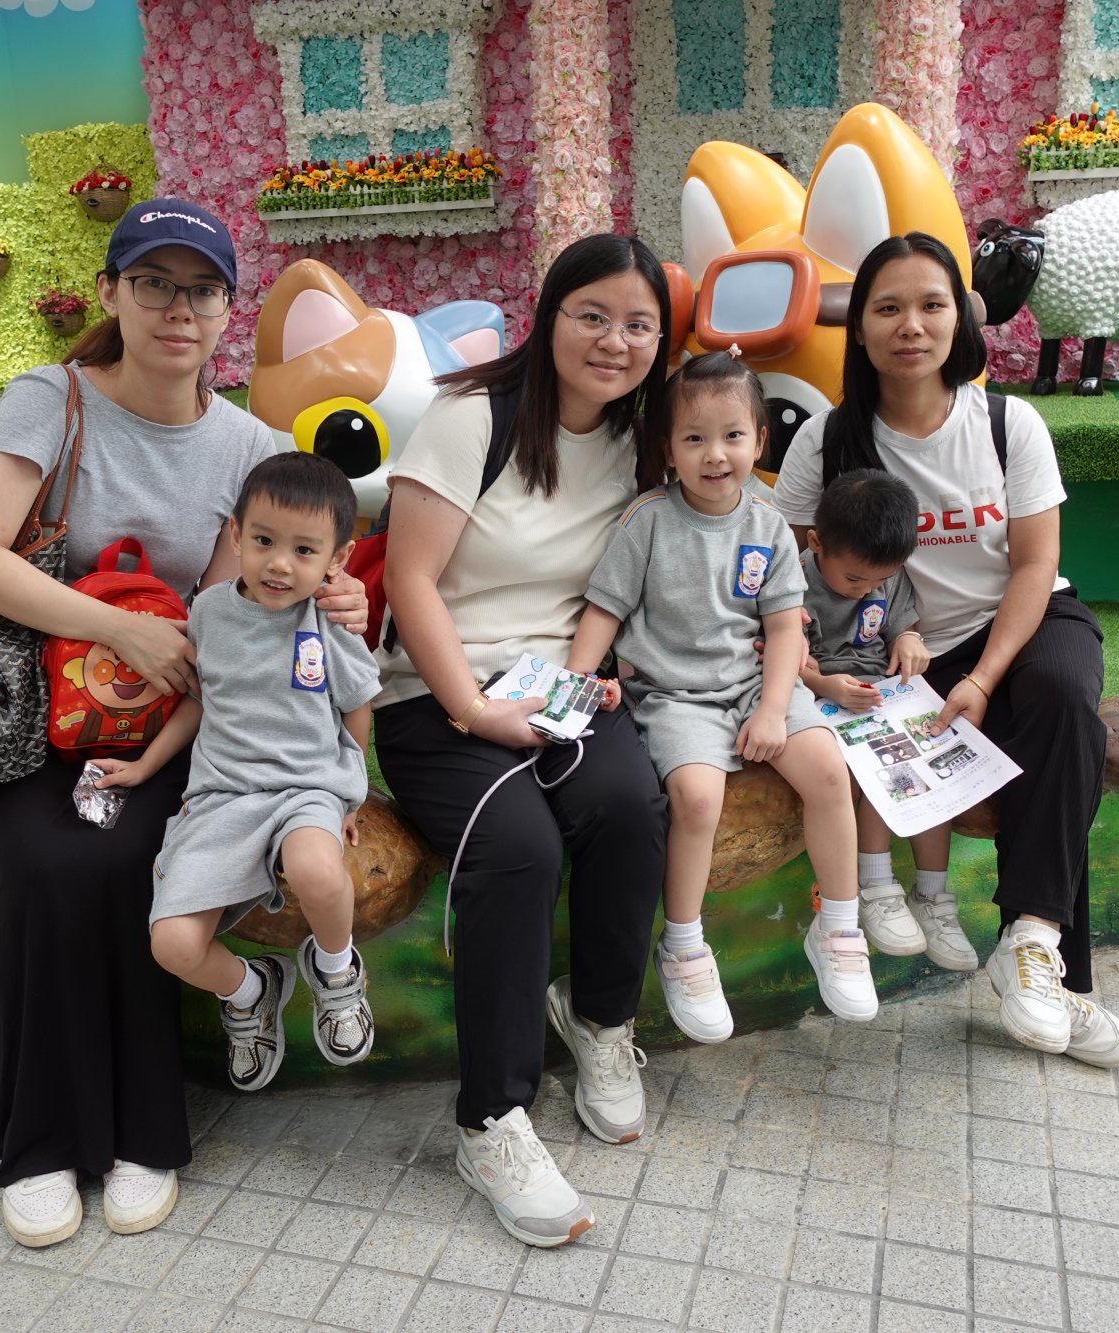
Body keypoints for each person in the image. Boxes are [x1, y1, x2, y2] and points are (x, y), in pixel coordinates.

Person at [0, 199, 366, 1249]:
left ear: (227, 309)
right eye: (154, 283)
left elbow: (235, 607)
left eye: (202, 290)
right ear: (113, 292)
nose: (179, 309)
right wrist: (112, 629)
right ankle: (38, 1138)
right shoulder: (51, 399)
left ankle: (140, 1130)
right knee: (41, 857)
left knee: (132, 860)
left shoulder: (249, 444)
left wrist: (330, 602)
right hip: (34, 711)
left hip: (167, 722)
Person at [771, 231, 1119, 1069]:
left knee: (1064, 705)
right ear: (860, 327)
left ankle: (1032, 943)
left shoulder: (1008, 423)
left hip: (1017, 622)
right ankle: (1057, 984)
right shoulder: (827, 441)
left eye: (931, 304)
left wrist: (981, 677)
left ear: (961, 318)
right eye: (887, 308)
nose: (911, 325)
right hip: (888, 655)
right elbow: (789, 573)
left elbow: (1035, 565)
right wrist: (815, 668)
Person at [375, 234, 671, 1248]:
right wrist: (469, 707)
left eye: (639, 325)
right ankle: (491, 1119)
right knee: (518, 848)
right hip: (436, 693)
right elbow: (409, 579)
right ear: (548, 317)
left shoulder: (642, 439)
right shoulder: (472, 417)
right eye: (593, 315)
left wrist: (595, 677)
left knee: (627, 805)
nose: (614, 340)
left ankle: (598, 1018)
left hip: (558, 683)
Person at [565, 351, 876, 1046]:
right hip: (675, 696)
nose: (715, 455)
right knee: (697, 798)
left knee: (831, 771)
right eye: (694, 438)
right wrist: (573, 686)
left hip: (757, 684)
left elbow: (783, 627)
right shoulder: (647, 520)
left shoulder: (768, 519)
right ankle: (682, 944)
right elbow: (604, 611)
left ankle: (839, 928)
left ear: (760, 440)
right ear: (667, 448)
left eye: (733, 435)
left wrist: (772, 710)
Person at [93, 451, 379, 1094]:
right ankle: (252, 990)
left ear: (337, 558)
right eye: (264, 541)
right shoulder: (210, 612)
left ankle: (335, 970)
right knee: (172, 945)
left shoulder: (328, 620)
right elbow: (201, 698)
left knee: (316, 870)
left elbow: (357, 704)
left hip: (306, 785)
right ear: (235, 534)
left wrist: (349, 795)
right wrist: (145, 766)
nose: (280, 564)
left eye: (304, 550)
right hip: (221, 795)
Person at [798, 468, 977, 973]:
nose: (866, 590)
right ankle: (876, 888)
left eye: (878, 581)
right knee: (879, 769)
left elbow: (901, 623)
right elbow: (786, 659)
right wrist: (825, 685)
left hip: (883, 695)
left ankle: (932, 895)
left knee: (933, 760)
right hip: (823, 699)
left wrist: (908, 638)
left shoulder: (886, 574)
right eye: (855, 579)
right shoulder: (794, 581)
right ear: (816, 543)